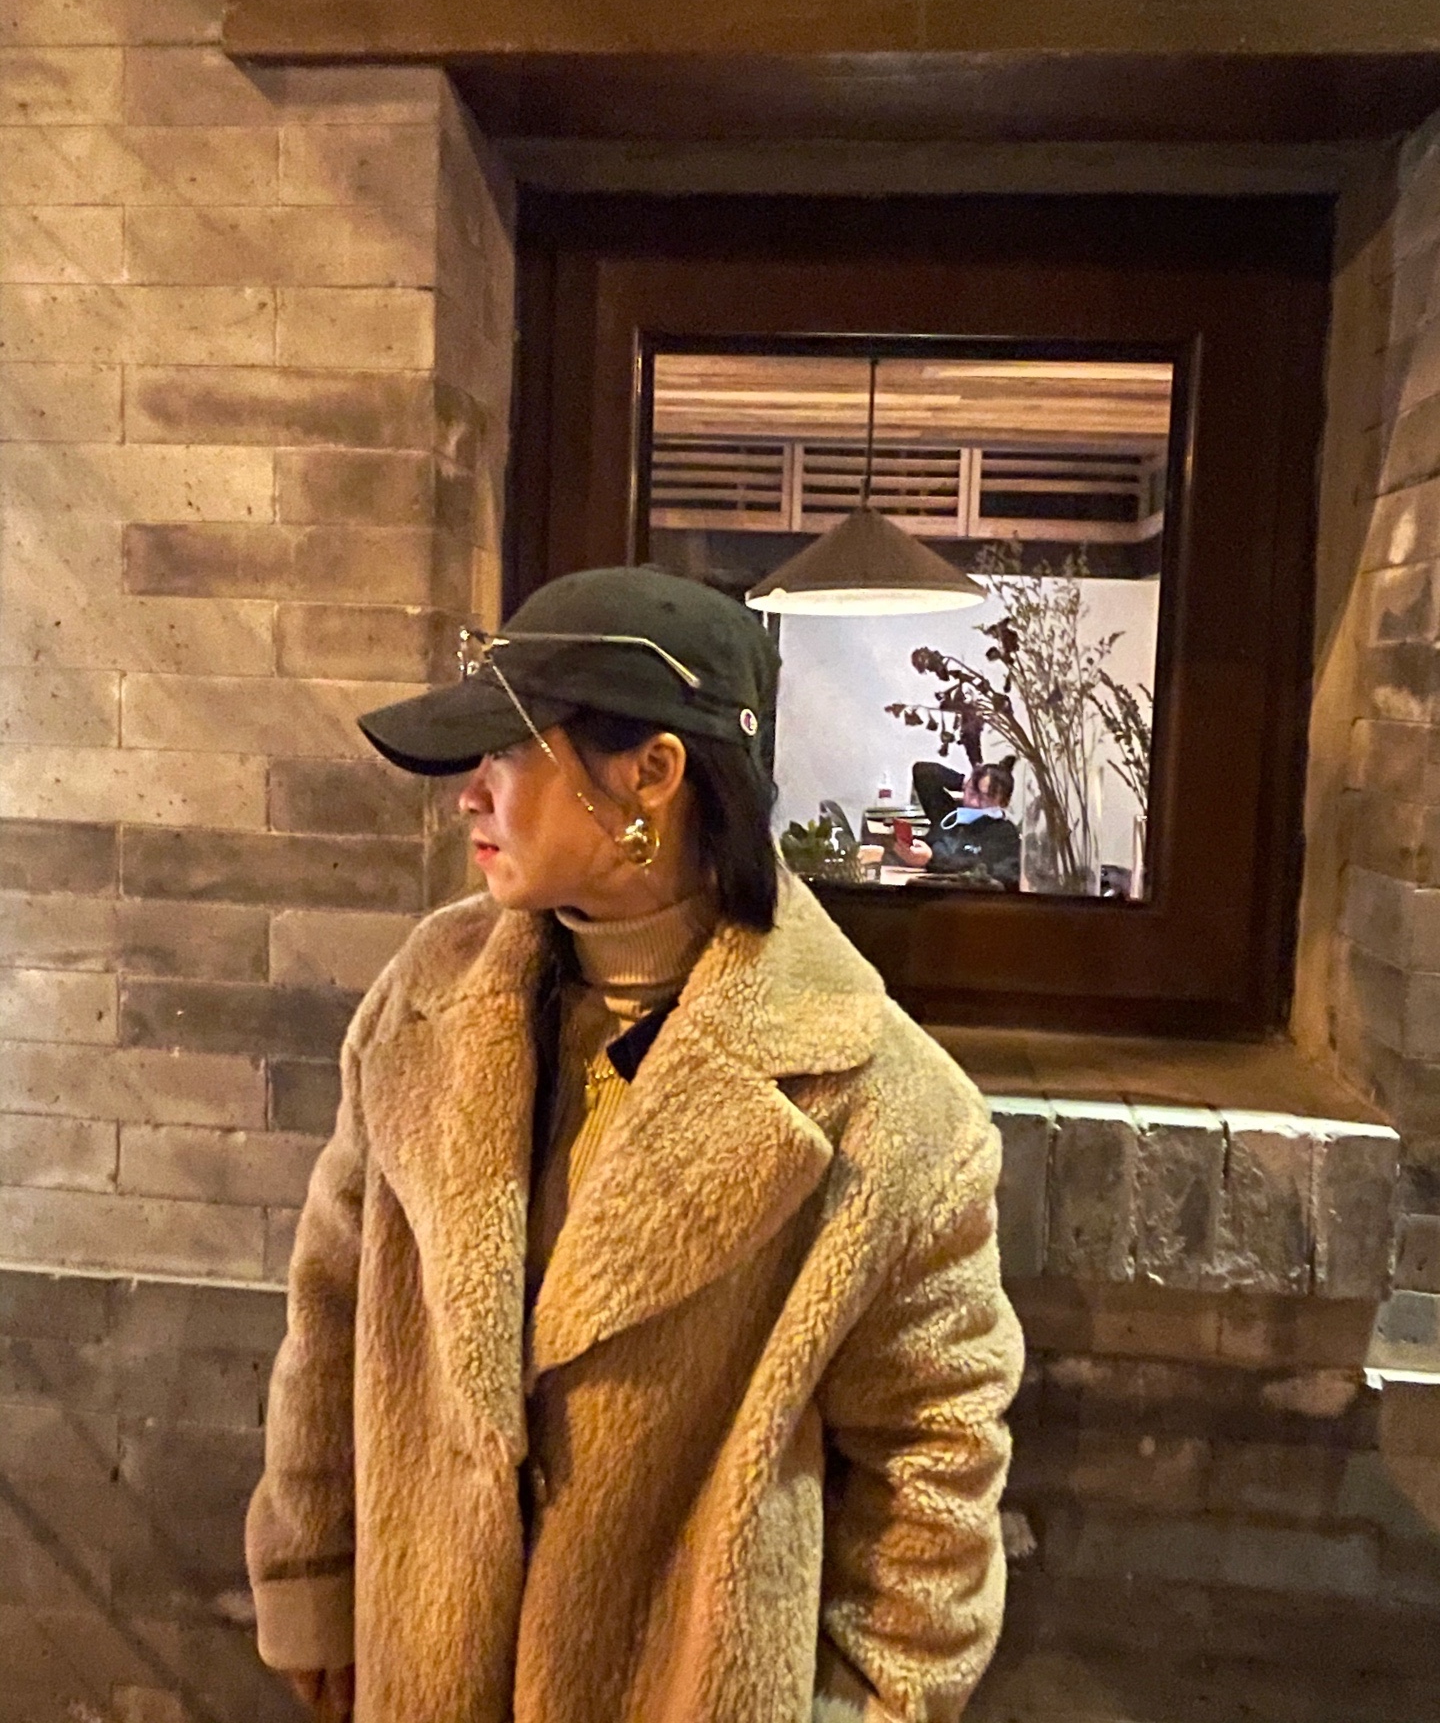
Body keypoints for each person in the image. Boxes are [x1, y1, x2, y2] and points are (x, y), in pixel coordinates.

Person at [246, 565, 1023, 1723]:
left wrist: (867, 1704)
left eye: (508, 752)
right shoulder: (424, 1002)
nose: (469, 796)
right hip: (423, 1669)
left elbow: (934, 1459)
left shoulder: (888, 1108)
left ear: (651, 773)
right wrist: (314, 1573)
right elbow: (332, 1310)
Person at [909, 758, 1022, 892]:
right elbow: (923, 771)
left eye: (985, 798)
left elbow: (984, 869)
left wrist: (931, 858)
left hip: (970, 898)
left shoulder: (1004, 833)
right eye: (972, 792)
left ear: (1003, 802)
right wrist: (964, 781)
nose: (974, 803)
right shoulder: (948, 815)